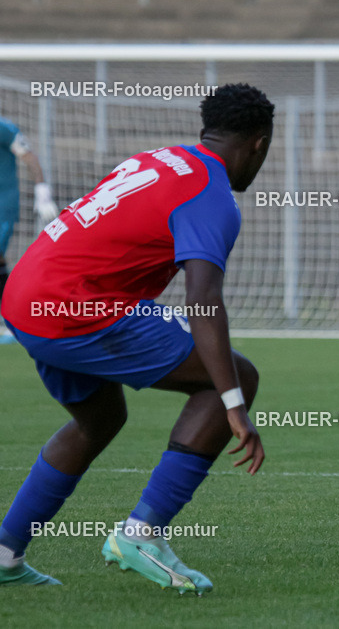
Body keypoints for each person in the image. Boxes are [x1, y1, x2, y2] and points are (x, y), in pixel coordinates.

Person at [0, 83, 274, 591]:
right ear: (260, 143)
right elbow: (203, 300)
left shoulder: (160, 158)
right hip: (73, 307)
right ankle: (142, 534)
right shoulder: (210, 195)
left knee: (99, 419)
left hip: (24, 296)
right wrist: (234, 403)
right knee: (235, 377)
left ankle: (4, 554)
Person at [0, 118, 59, 344]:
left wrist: (42, 190)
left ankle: (13, 318)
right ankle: (11, 318)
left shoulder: (4, 128)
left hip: (3, 205)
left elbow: (29, 156)